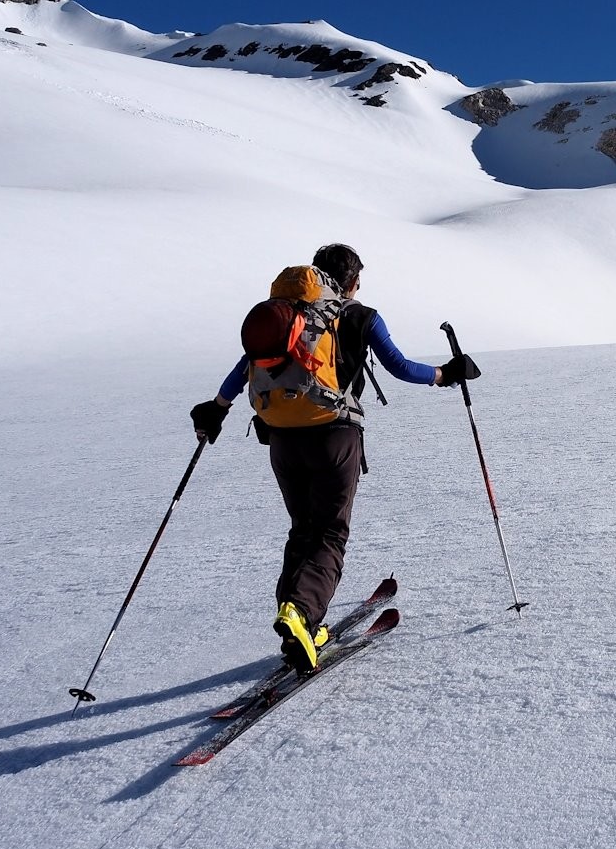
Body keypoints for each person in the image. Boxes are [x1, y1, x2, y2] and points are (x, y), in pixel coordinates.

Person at [189, 243, 477, 671]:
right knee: (329, 534)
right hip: (335, 436)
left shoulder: (289, 318)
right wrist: (445, 374)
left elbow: (246, 365)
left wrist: (217, 406)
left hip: (283, 440)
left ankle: (296, 616)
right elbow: (398, 366)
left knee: (303, 528)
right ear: (354, 282)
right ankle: (302, 616)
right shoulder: (361, 316)